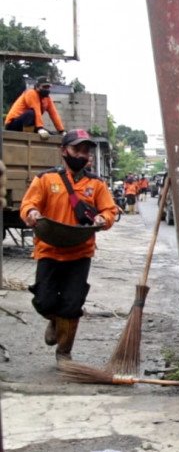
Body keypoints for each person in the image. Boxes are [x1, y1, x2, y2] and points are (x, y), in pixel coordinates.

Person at [20, 129, 117, 361]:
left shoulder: (97, 184)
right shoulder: (45, 179)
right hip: (49, 250)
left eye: (86, 151)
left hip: (80, 252)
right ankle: (54, 320)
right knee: (45, 301)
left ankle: (64, 352)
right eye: (77, 149)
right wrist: (32, 213)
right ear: (63, 151)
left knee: (73, 305)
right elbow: (28, 205)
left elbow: (110, 210)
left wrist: (103, 219)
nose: (82, 155)